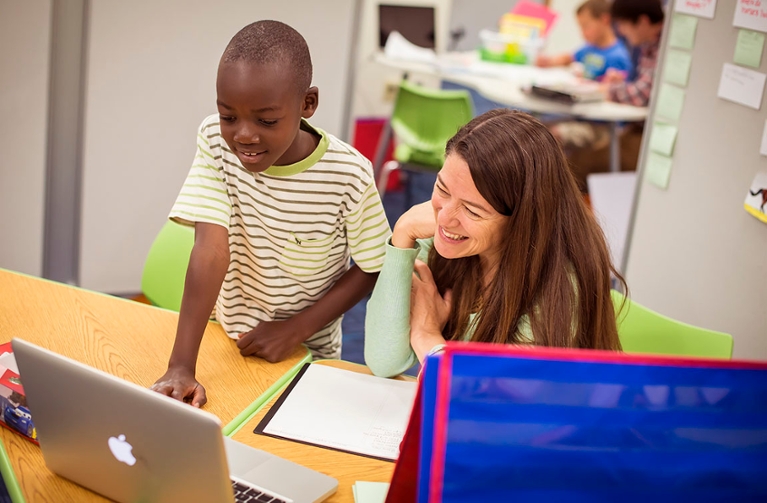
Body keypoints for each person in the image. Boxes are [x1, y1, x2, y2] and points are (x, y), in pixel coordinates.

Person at [152, 21, 391, 406]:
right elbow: (211, 250)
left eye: (266, 121)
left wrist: (295, 330)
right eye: (229, 116)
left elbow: (372, 265)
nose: (244, 136)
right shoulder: (215, 142)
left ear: (307, 104)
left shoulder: (349, 174)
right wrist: (181, 365)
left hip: (306, 356)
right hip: (227, 338)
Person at [364, 109, 624, 378]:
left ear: (523, 220)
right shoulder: (438, 231)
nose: (445, 218)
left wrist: (426, 337)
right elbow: (383, 361)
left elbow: (488, 405)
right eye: (442, 188)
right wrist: (403, 234)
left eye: (473, 211)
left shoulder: (559, 288)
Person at [555, 0, 665, 190]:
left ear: (643, 21)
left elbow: (641, 94)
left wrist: (608, 90)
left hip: (634, 132)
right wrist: (617, 87)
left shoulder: (658, 47)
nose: (621, 31)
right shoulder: (647, 46)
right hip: (625, 127)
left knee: (572, 165)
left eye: (623, 24)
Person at [536, 0, 631, 81]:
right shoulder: (589, 48)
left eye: (586, 26)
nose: (583, 33)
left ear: (605, 20)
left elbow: (617, 85)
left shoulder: (619, 56)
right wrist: (549, 62)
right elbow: (569, 58)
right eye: (581, 27)